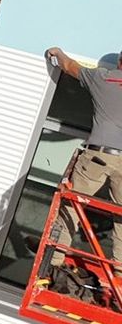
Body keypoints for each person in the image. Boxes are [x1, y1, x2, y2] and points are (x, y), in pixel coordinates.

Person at [46, 46, 122, 250]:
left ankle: (55, 258)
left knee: (72, 207)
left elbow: (69, 66)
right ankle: (119, 272)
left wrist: (57, 52)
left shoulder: (103, 78)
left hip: (98, 156)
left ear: (119, 63)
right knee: (121, 220)